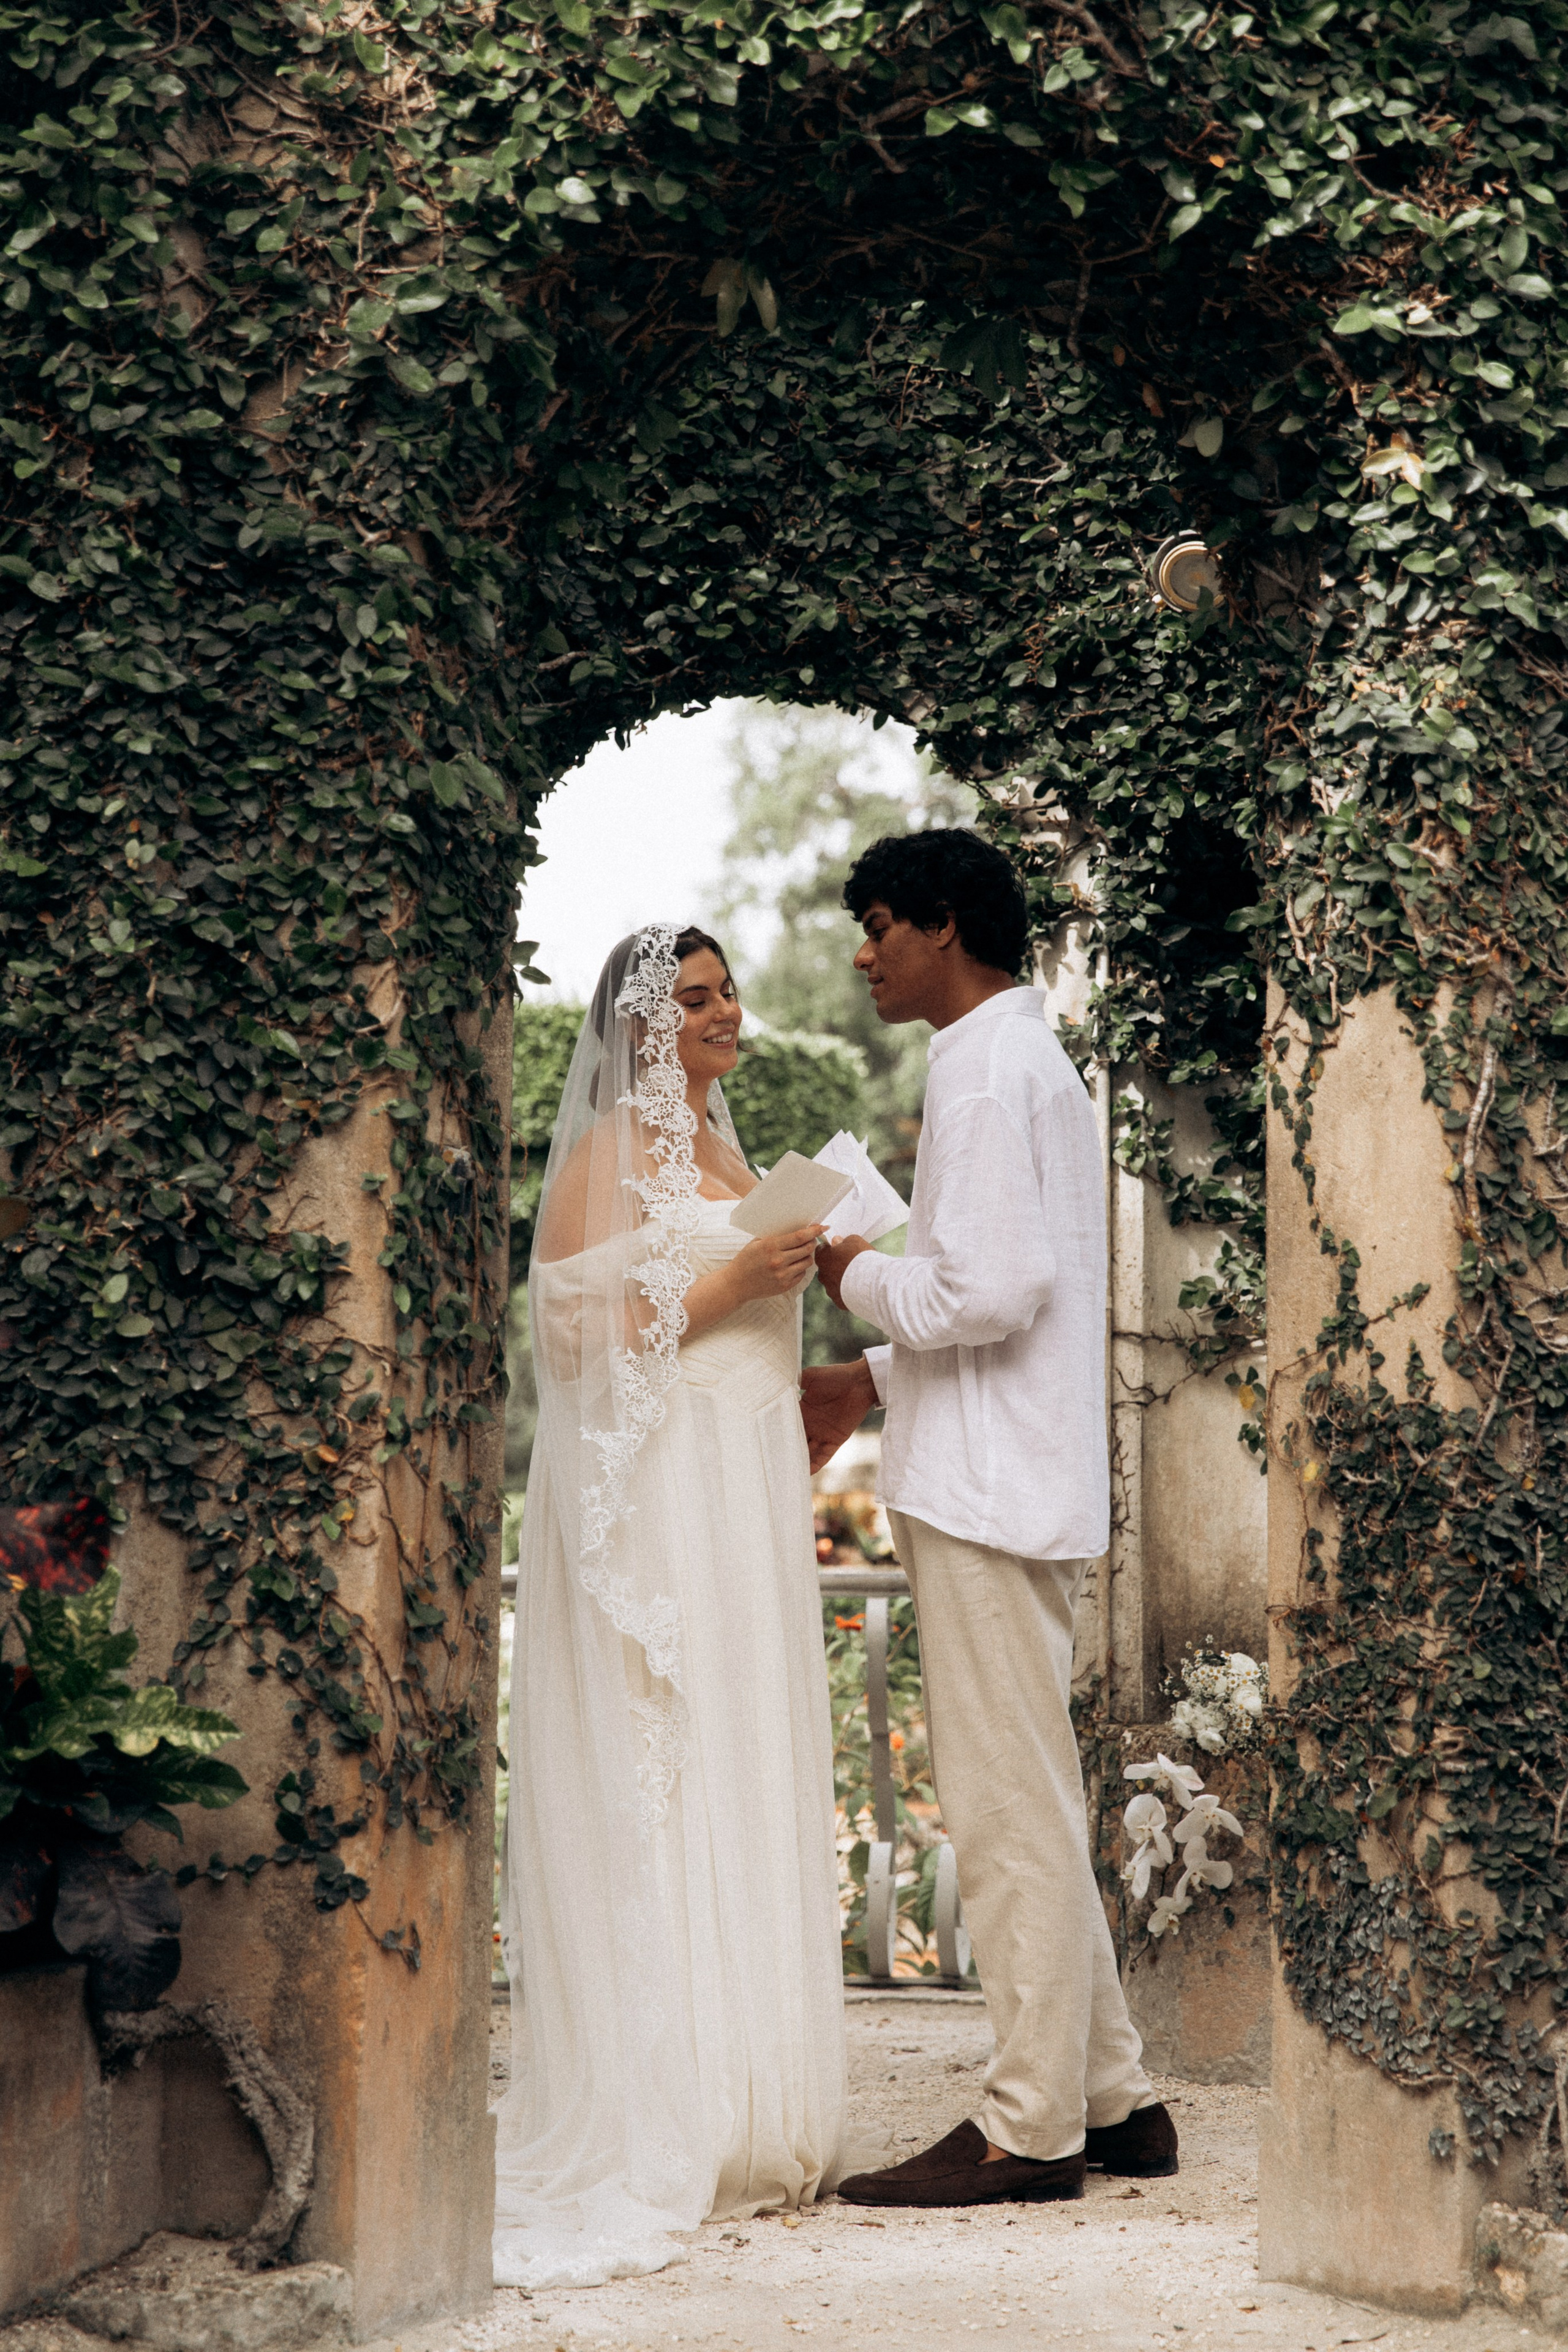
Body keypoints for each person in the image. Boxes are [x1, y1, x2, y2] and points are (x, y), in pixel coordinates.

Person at [801, 830, 1178, 2208]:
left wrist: (850, 1273)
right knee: (1030, 1795)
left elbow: (988, 1293)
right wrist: (872, 1369)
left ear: (946, 927)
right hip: (1011, 1471)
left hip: (982, 1493)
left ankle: (1030, 2131)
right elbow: (1022, 1304)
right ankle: (1114, 2098)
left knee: (1005, 1811)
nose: (865, 954)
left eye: (882, 925)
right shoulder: (1018, 1057)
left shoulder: (985, 1067)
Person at [493, 924, 846, 2288]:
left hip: (745, 1482)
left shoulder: (728, 1155)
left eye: (725, 991)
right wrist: (726, 1283)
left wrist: (790, 1269)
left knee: (747, 1759)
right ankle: (676, 2096)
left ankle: (761, 2097)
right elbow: (571, 1334)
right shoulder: (602, 1159)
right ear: (637, 1028)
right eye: (691, 999)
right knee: (672, 1758)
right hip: (667, 1494)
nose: (722, 1013)